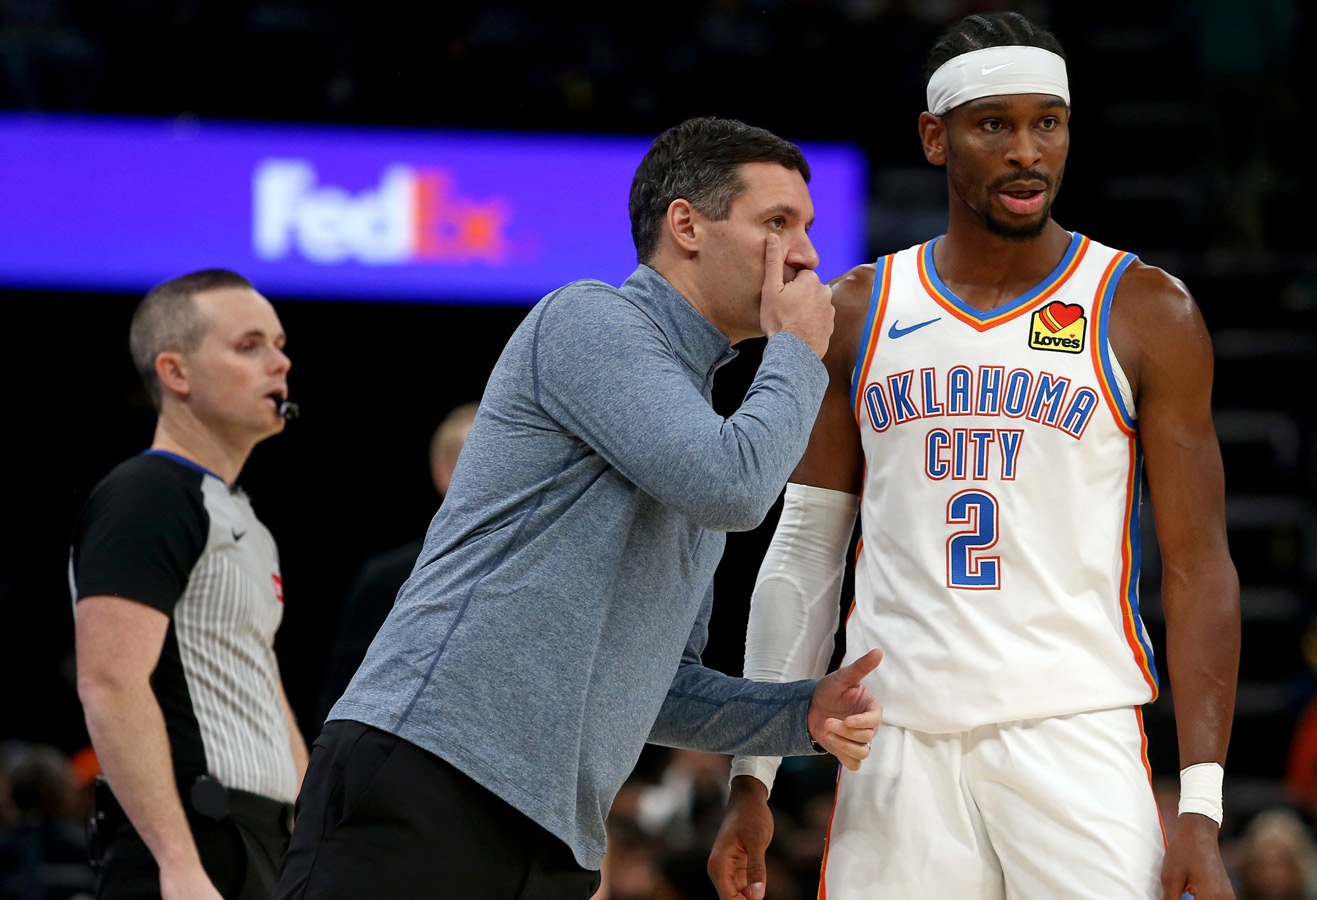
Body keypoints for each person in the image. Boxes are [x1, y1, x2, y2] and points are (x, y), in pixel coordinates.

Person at [273, 117, 884, 900]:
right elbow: (734, 488)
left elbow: (659, 688)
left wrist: (802, 714)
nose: (804, 255)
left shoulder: (698, 423)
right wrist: (797, 352)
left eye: (806, 228)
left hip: (554, 834)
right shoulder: (591, 320)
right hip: (431, 770)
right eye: (777, 223)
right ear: (686, 226)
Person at [710, 13, 1240, 900]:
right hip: (897, 739)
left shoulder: (1144, 308)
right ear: (935, 136)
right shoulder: (856, 309)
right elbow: (805, 552)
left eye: (1048, 123)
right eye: (995, 123)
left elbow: (1198, 566)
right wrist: (752, 779)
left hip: (1074, 729)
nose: (1027, 150)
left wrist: (1202, 804)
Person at [70, 269, 307, 900]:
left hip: (258, 843)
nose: (279, 362)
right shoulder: (146, 497)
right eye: (248, 345)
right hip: (192, 847)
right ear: (175, 373)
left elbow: (256, 675)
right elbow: (109, 681)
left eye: (279, 343)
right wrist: (177, 862)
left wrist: (309, 831)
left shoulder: (243, 518)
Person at [315, 401, 478, 723]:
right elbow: (344, 695)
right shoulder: (389, 579)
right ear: (442, 473)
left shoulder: (545, 574)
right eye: (473, 462)